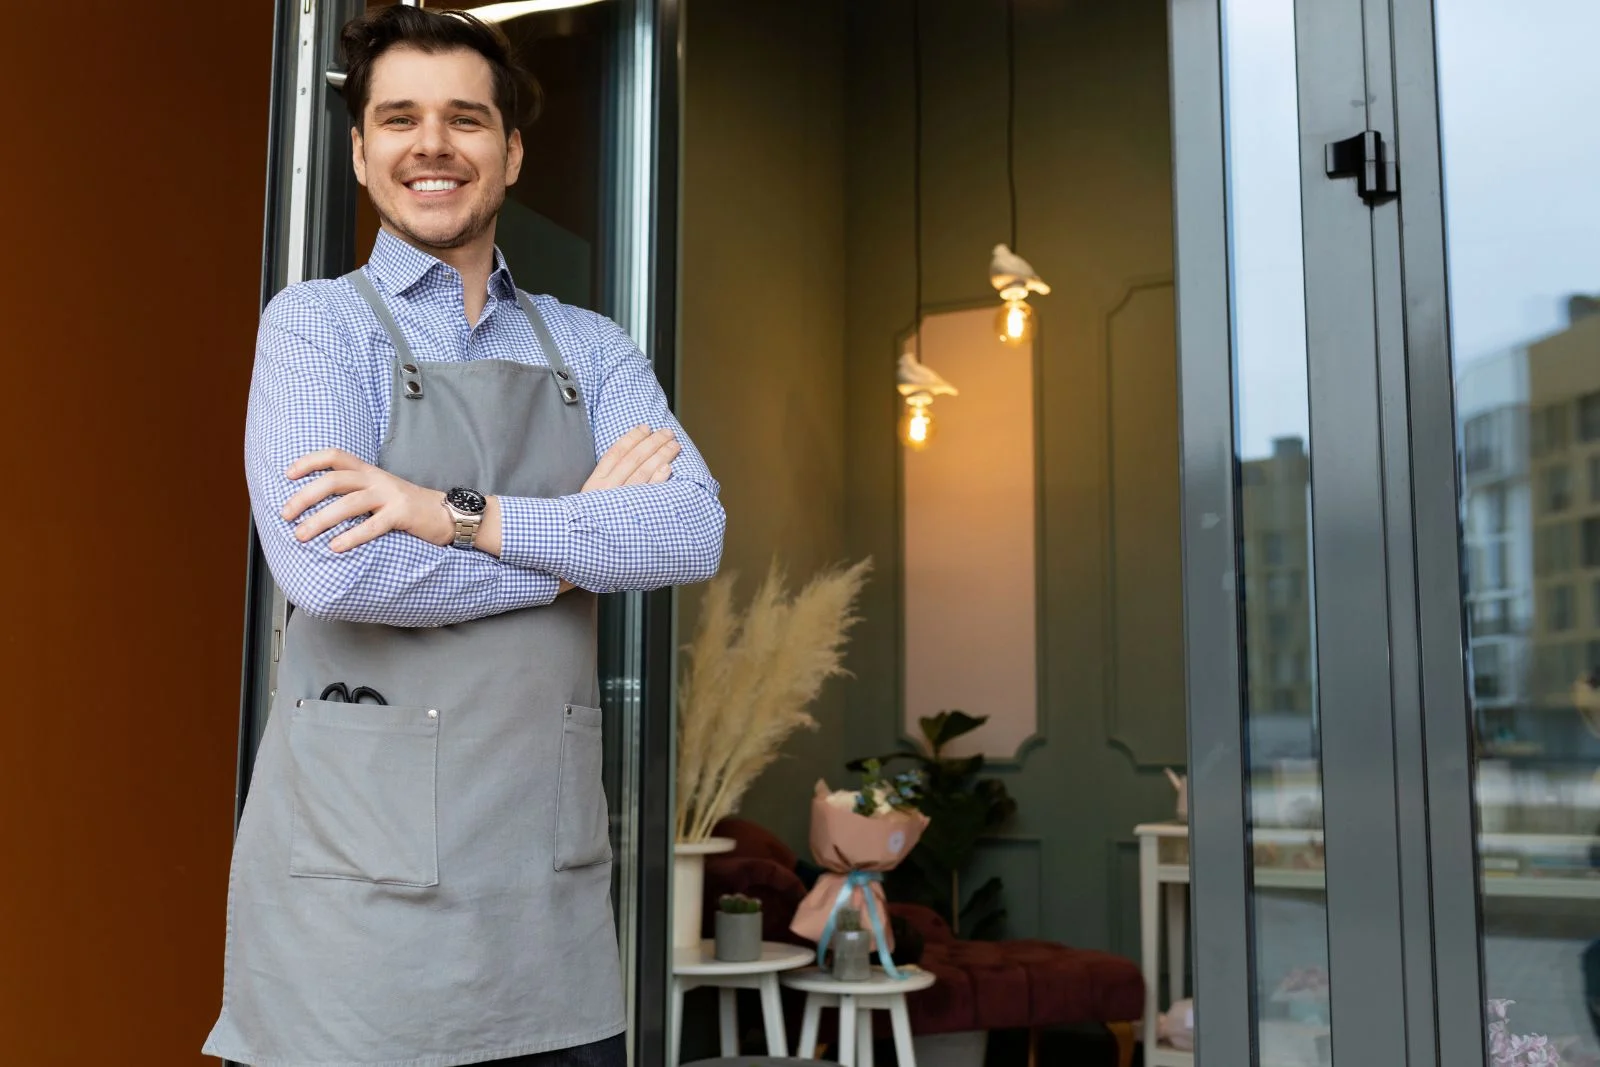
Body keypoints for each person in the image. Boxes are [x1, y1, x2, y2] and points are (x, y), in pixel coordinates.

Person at [202, 7, 724, 1066]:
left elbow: (688, 533)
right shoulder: (315, 328)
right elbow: (332, 568)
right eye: (398, 118)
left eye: (465, 119)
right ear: (359, 149)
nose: (431, 144)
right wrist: (577, 555)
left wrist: (454, 513)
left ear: (511, 150)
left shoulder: (594, 346)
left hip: (546, 913)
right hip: (353, 916)